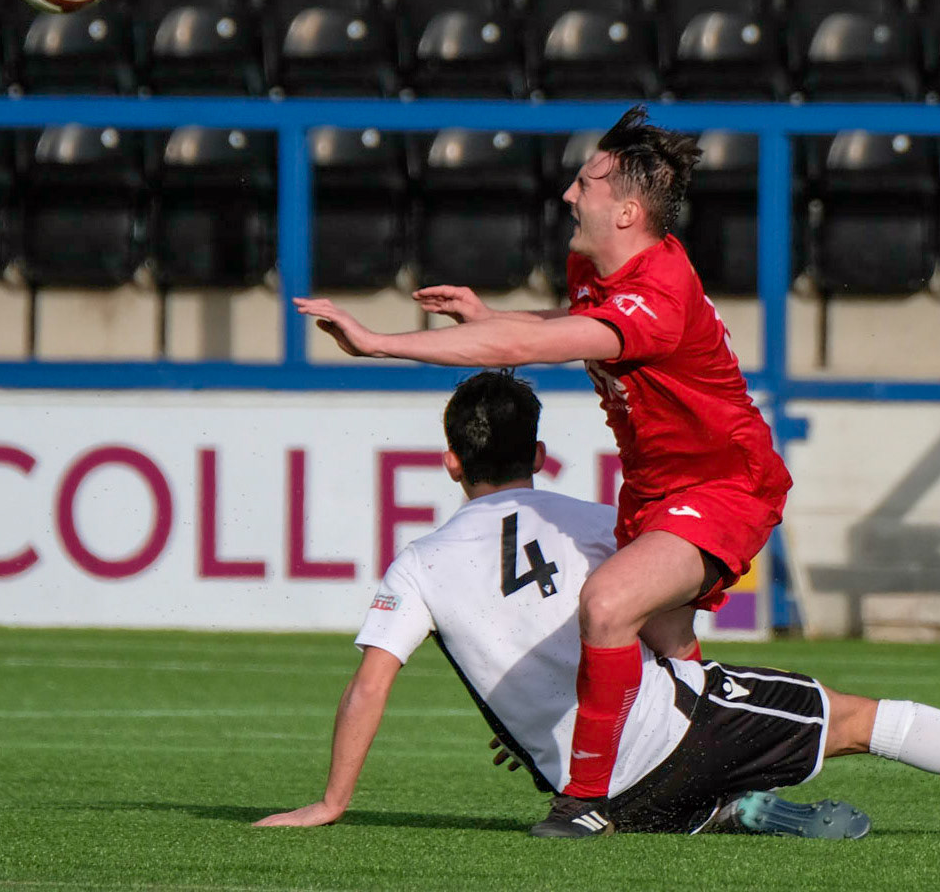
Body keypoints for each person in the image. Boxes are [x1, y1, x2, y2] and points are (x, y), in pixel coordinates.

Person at [254, 372, 940, 838]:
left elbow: (371, 683)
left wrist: (331, 805)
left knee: (691, 759)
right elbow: (667, 622)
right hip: (671, 737)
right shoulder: (588, 519)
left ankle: (736, 810)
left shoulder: (419, 564)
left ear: (448, 463)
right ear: (539, 453)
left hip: (589, 793)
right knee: (857, 721)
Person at [293, 106, 795, 836]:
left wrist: (380, 344)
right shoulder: (601, 268)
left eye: (584, 182)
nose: (567, 194)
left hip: (723, 481)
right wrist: (488, 315)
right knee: (667, 647)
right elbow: (561, 325)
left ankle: (586, 801)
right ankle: (715, 782)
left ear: (625, 209)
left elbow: (556, 344)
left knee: (608, 605)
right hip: (654, 486)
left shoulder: (658, 296)